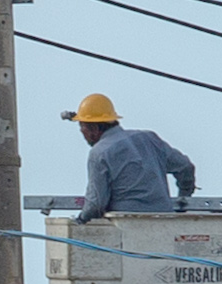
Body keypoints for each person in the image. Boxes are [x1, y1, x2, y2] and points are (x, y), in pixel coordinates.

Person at [64, 93, 199, 218]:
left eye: (82, 127)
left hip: (126, 224)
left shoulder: (99, 153)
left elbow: (96, 205)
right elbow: (185, 167)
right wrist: (183, 199)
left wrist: (80, 220)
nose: (82, 133)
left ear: (93, 128)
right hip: (164, 221)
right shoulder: (149, 138)